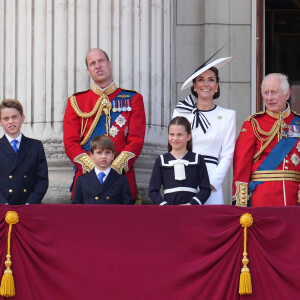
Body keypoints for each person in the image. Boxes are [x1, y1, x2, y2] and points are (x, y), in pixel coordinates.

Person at [63, 48, 146, 202]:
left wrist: (113, 169)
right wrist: (93, 168)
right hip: (86, 179)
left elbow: (136, 140)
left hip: (120, 178)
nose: (97, 66)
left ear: (110, 64)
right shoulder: (76, 102)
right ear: (88, 71)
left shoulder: (133, 99)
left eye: (101, 61)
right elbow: (70, 143)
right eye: (92, 63)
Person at [173, 57, 236, 204]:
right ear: (194, 85)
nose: (206, 84)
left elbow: (227, 154)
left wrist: (212, 183)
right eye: (201, 80)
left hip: (211, 177)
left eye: (211, 80)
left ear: (217, 85)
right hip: (183, 174)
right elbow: (173, 146)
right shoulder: (181, 112)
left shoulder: (228, 115)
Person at [232, 73, 300, 206]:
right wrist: (241, 203)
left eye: (274, 92)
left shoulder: (298, 122)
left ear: (287, 94)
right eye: (266, 93)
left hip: (294, 199)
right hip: (262, 199)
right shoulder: (253, 124)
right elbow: (241, 166)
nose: (269, 98)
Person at [149, 116, 211, 205]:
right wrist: (164, 206)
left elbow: (205, 189)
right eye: (172, 134)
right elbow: (153, 191)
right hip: (168, 212)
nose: (175, 138)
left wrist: (192, 204)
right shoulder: (161, 160)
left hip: (192, 212)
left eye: (179, 134)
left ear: (188, 137)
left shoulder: (198, 159)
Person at [0, 99, 49, 205]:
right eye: (6, 118)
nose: (11, 121)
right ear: (0, 122)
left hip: (30, 207)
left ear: (22, 118)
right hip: (2, 208)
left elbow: (42, 180)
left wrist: (30, 203)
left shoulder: (36, 146)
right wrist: (4, 204)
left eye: (14, 117)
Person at [72, 135, 133, 204]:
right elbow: (76, 208)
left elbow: (127, 208)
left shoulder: (121, 180)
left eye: (107, 152)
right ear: (92, 156)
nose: (103, 157)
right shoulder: (82, 180)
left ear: (112, 156)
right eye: (99, 153)